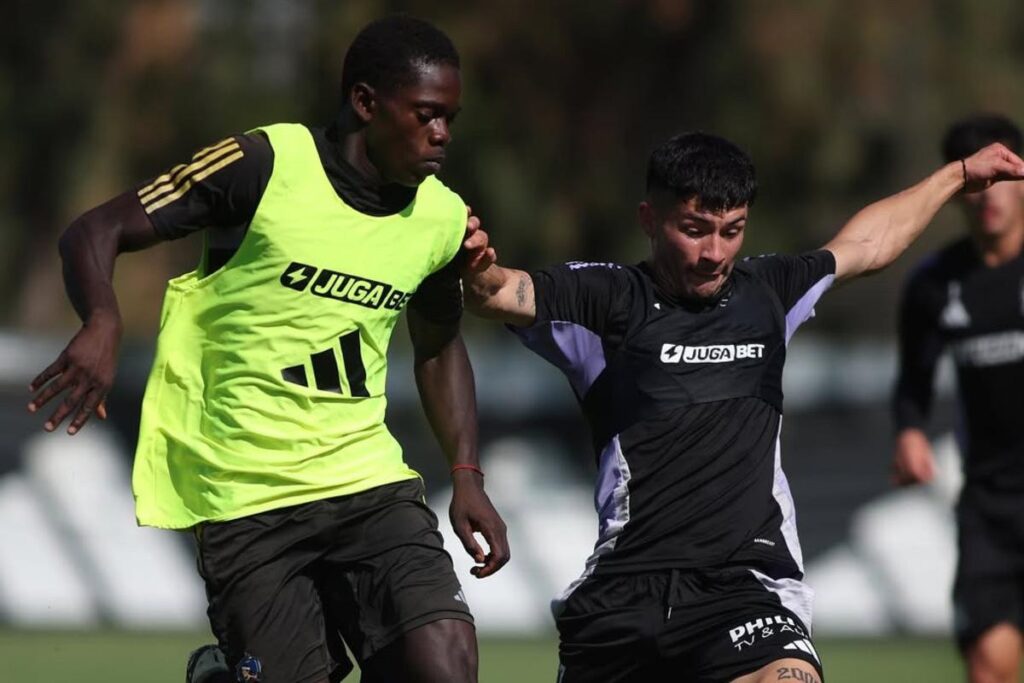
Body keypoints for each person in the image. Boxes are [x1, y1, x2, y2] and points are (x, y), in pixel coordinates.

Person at [27, 15, 509, 683]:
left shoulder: (441, 217)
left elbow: (438, 345)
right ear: (367, 103)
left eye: (450, 118)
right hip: (245, 496)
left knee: (445, 666)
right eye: (428, 115)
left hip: (366, 483)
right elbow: (95, 229)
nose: (442, 135)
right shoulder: (264, 164)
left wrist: (465, 474)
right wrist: (102, 319)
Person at [460, 131, 1024, 683]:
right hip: (624, 593)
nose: (715, 253)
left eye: (732, 232)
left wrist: (956, 177)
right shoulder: (603, 300)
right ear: (649, 220)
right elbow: (497, 293)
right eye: (695, 230)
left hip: (744, 585)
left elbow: (867, 246)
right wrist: (476, 262)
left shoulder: (768, 292)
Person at [891, 114, 1024, 683]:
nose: (987, 199)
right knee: (989, 666)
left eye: (1002, 180)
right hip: (990, 505)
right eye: (975, 186)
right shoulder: (934, 284)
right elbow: (914, 380)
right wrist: (910, 431)